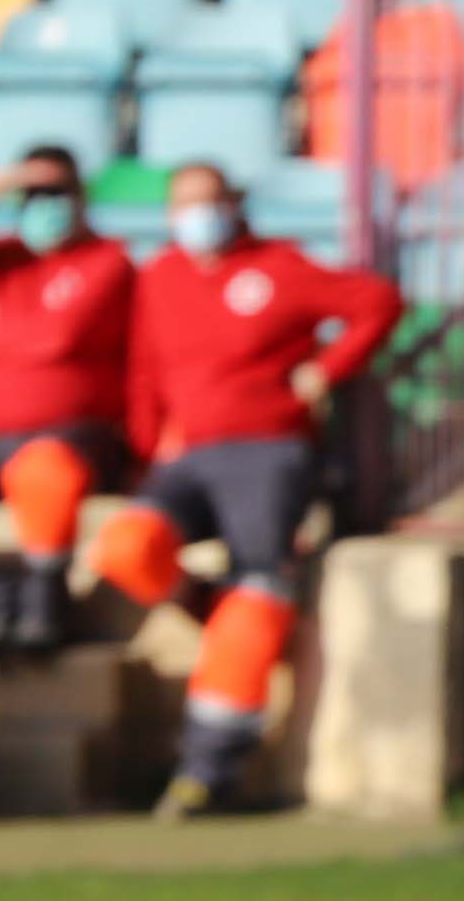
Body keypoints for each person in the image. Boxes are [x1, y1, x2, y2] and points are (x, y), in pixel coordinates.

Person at [92, 163, 400, 817]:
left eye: (210, 202)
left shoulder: (279, 266)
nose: (198, 215)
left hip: (269, 450)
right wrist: (147, 450)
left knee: (258, 585)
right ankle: (220, 610)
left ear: (234, 203)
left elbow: (376, 302)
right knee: (124, 547)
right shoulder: (162, 274)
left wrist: (325, 371)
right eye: (185, 205)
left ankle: (208, 769)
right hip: (188, 456)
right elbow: (145, 368)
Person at [0, 146, 136, 653]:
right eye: (33, 194)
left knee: (43, 472)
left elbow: (60, 339)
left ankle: (43, 603)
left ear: (80, 197)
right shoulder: (9, 259)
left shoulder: (108, 261)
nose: (45, 204)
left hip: (70, 437)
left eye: (55, 192)